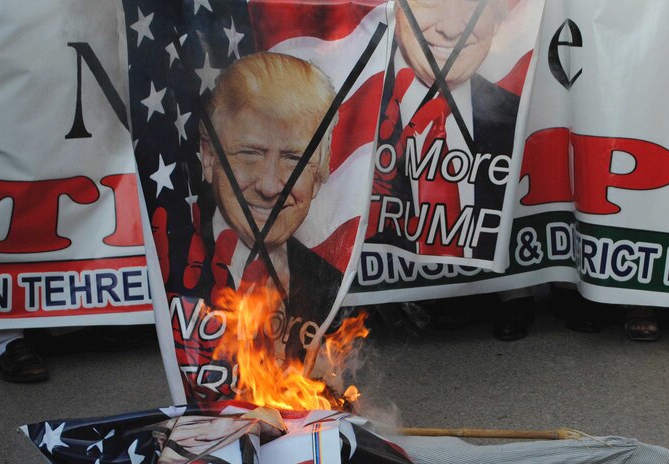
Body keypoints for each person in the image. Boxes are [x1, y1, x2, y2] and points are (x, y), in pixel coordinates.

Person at [370, 0, 534, 340]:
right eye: (429, 2)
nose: (452, 26)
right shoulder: (354, 122)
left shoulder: (521, 117)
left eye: (472, 5)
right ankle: (434, 291)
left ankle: (508, 292)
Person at [195, 52, 343, 330]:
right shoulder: (176, 268)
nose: (269, 186)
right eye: (250, 154)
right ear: (208, 156)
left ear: (320, 171)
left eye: (294, 159)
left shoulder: (328, 281)